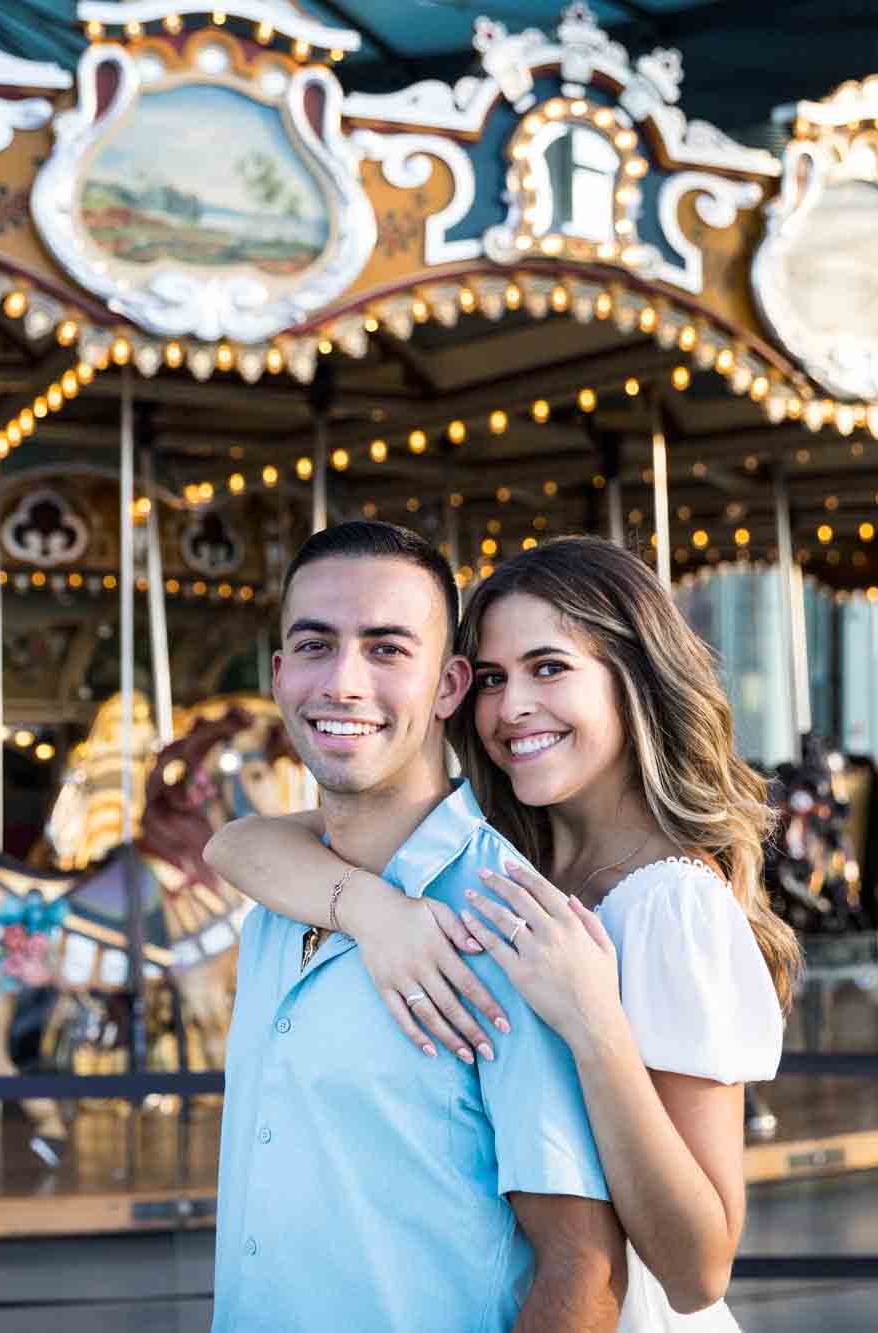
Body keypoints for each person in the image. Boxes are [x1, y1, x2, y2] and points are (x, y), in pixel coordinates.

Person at [207, 535, 800, 1329]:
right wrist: (373, 909)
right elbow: (236, 844)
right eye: (494, 678)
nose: (512, 705)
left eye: (549, 667)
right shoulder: (522, 859)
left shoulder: (642, 905)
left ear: (632, 678)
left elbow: (687, 1267)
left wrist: (596, 1023)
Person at [212, 521, 626, 1332]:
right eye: (315, 645)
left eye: (387, 649)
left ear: (449, 685)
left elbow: (583, 1265)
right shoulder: (279, 903)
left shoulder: (504, 918)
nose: (343, 682)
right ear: (279, 674)